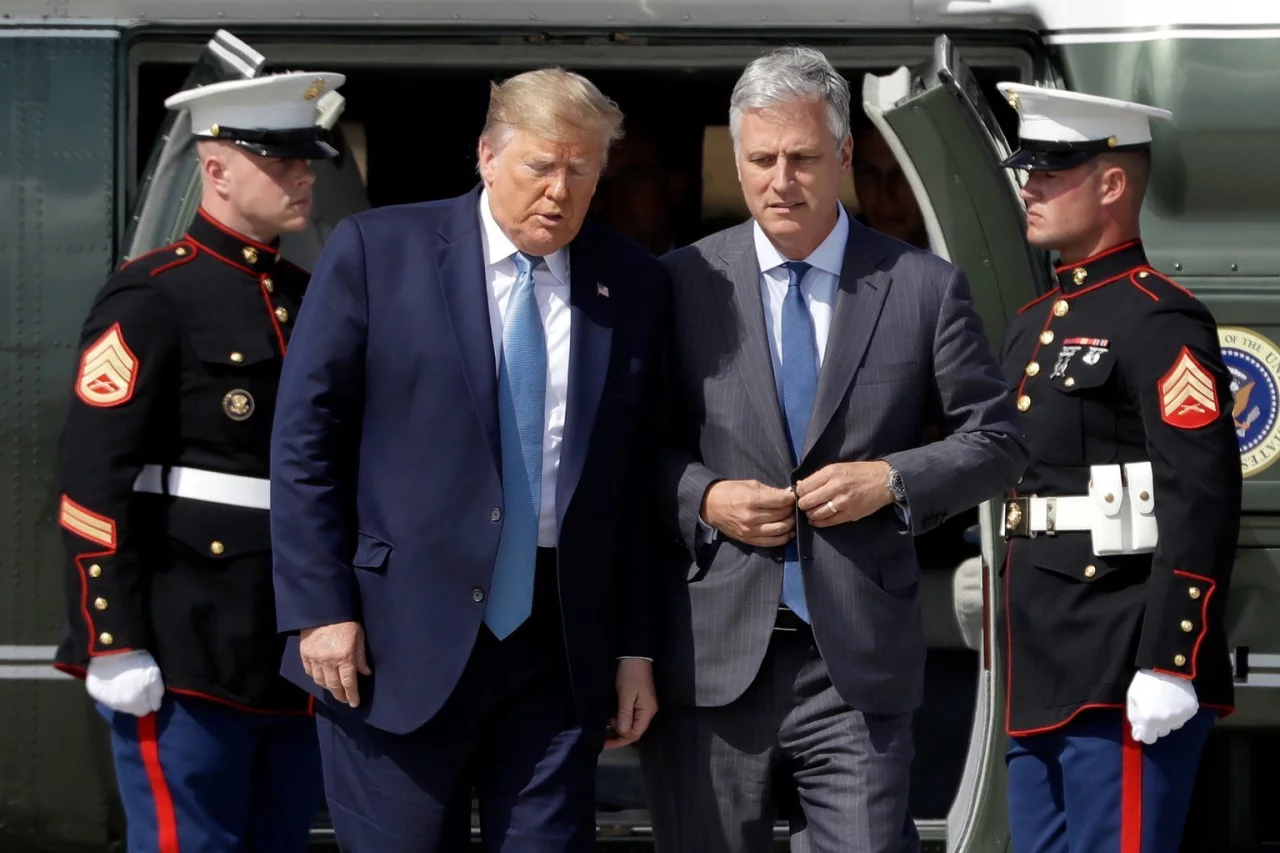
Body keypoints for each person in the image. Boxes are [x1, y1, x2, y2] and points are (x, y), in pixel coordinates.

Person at [268, 67, 668, 851]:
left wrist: (634, 646)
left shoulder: (631, 283)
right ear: (486, 155)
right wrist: (320, 608)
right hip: (394, 640)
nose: (559, 191)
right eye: (540, 166)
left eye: (581, 170)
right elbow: (306, 441)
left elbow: (633, 483)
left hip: (558, 647)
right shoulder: (380, 251)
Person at [640, 45, 1027, 853]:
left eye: (804, 158)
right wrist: (704, 496)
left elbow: (996, 441)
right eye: (762, 160)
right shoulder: (677, 283)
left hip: (855, 663)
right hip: (712, 660)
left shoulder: (923, 286)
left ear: (844, 156)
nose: (782, 180)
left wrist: (890, 478)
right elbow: (634, 449)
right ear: (738, 161)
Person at [50, 70, 345, 852]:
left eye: (305, 160)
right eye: (279, 160)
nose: (302, 175)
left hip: (288, 639)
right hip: (184, 638)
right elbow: (92, 478)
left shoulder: (311, 296)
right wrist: (111, 636)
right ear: (216, 168)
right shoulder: (152, 295)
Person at [995, 82, 1242, 852]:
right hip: (1040, 665)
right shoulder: (1032, 323)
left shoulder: (1158, 316)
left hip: (1121, 658)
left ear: (1110, 184)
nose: (1030, 185)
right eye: (1028, 169)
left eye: (1051, 170)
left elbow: (1200, 494)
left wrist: (1171, 659)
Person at [588, 123, 689, 255]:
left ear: (675, 184)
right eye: (598, 182)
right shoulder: (572, 262)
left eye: (631, 176)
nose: (611, 197)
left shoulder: (706, 263)